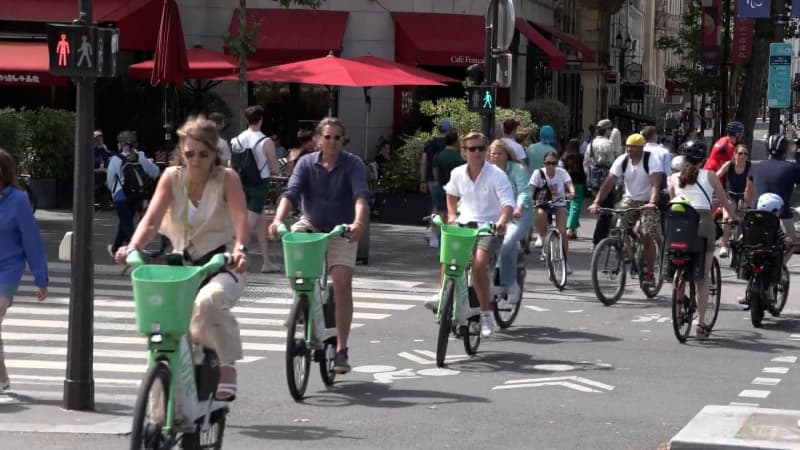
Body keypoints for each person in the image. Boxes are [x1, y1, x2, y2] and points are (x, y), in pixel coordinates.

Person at [114, 116, 249, 401]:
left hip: (221, 264)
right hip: (181, 269)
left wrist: (240, 250)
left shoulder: (227, 179)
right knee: (165, 333)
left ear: (215, 153)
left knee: (208, 302)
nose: (196, 160)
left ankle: (227, 367)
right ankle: (162, 414)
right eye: (190, 154)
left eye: (204, 153)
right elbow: (151, 221)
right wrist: (132, 247)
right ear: (181, 151)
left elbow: (240, 222)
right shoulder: (172, 177)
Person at [269, 117, 371, 374]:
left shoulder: (353, 164)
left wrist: (358, 223)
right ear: (318, 139)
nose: (332, 142)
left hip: (341, 229)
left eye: (337, 137)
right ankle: (302, 305)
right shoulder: (305, 163)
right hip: (311, 224)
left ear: (343, 140)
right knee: (293, 246)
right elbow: (290, 193)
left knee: (342, 284)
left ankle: (341, 349)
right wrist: (278, 219)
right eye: (327, 137)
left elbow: (361, 196)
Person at [440, 131, 514, 337]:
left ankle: (485, 313)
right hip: (464, 225)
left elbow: (508, 202)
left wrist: (501, 221)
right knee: (448, 258)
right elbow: (451, 194)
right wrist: (452, 215)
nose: (478, 152)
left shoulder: (497, 175)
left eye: (482, 148)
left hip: (489, 227)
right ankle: (442, 297)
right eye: (472, 149)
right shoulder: (457, 173)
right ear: (464, 152)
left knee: (478, 265)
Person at [668, 141, 736, 338]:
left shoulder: (674, 177)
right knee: (703, 277)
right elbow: (723, 200)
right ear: (705, 159)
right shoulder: (711, 176)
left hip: (679, 225)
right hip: (702, 223)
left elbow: (674, 200)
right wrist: (733, 216)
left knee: (679, 262)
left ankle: (679, 312)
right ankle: (700, 324)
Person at [0, 149, 48, 392]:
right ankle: (1, 376)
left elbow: (32, 241)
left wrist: (41, 279)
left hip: (8, 269)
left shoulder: (18, 200)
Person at [589, 133, 662, 287]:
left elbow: (656, 185)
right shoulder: (622, 160)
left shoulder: (651, 160)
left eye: (633, 147)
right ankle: (627, 245)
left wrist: (652, 202)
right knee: (617, 221)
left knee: (647, 234)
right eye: (627, 146)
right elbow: (609, 183)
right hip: (630, 199)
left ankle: (649, 273)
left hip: (648, 201)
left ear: (641, 148)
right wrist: (596, 202)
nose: (629, 149)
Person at [231, 105, 281, 273]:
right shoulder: (266, 141)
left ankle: (266, 262)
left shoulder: (237, 139)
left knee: (260, 223)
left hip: (241, 183)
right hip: (260, 184)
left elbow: (233, 165)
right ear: (261, 119)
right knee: (247, 227)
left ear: (246, 119)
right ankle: (233, 256)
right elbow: (274, 168)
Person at [487, 139, 532, 303]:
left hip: (517, 216)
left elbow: (524, 192)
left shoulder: (517, 170)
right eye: (492, 154)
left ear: (507, 155)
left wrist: (519, 207)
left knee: (507, 243)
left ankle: (511, 284)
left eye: (499, 153)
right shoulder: (486, 171)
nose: (496, 157)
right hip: (493, 215)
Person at [106, 130, 160, 257]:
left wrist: (113, 191)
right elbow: (155, 172)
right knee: (126, 221)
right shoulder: (140, 156)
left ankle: (136, 249)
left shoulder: (115, 159)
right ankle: (115, 248)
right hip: (136, 195)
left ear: (122, 144)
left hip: (120, 195)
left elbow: (110, 180)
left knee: (126, 222)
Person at [745, 133, 800, 247]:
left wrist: (750, 207)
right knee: (793, 243)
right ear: (785, 150)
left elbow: (748, 193)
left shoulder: (755, 167)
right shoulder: (792, 168)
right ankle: (780, 264)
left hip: (757, 213)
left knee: (746, 240)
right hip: (781, 213)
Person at [531, 150, 576, 274]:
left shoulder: (562, 172)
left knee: (562, 231)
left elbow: (569, 184)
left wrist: (572, 192)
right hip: (543, 203)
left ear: (557, 163)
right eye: (548, 163)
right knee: (539, 214)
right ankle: (541, 235)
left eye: (554, 163)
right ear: (544, 163)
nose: (551, 166)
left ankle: (565, 262)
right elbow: (531, 189)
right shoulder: (538, 173)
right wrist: (529, 201)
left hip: (559, 203)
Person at [583, 119, 621, 246]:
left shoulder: (591, 143)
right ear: (607, 130)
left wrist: (590, 177)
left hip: (594, 181)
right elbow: (613, 163)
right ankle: (599, 239)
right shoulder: (609, 144)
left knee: (600, 208)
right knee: (606, 210)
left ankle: (601, 238)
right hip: (606, 180)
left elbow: (586, 163)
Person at [420, 120, 455, 248]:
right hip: (446, 180)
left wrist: (423, 180)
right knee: (443, 209)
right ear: (450, 131)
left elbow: (424, 162)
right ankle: (435, 233)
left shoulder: (429, 144)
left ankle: (433, 231)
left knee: (437, 206)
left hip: (431, 180)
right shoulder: (449, 145)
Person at [716, 144, 751, 257]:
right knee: (727, 218)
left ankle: (743, 243)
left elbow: (753, 183)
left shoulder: (750, 167)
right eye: (740, 153)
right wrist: (718, 190)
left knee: (746, 218)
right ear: (735, 154)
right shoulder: (729, 165)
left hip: (744, 196)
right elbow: (716, 176)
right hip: (730, 196)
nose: (743, 156)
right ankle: (724, 245)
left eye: (745, 154)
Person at [561, 139, 585, 239]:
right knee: (575, 206)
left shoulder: (564, 157)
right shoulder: (580, 157)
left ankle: (571, 228)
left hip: (566, 183)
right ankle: (570, 228)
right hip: (578, 183)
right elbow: (585, 170)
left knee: (567, 205)